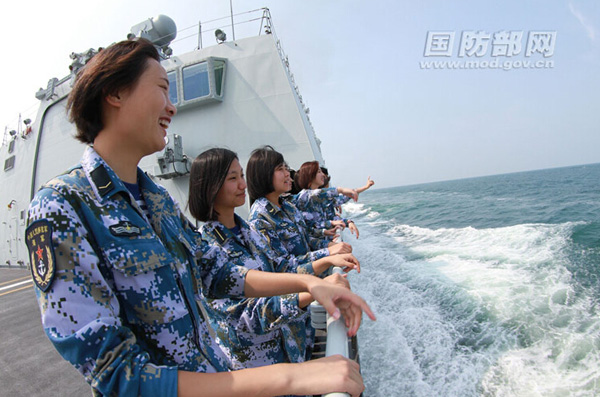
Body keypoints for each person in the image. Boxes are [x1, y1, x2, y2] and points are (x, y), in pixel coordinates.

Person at [25, 38, 375, 397]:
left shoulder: (156, 200)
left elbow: (218, 273)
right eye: (162, 88)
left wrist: (309, 283)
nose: (171, 106)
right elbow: (117, 374)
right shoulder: (63, 206)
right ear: (115, 92)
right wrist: (293, 378)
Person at [188, 148, 359, 369]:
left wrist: (325, 262)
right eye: (233, 178)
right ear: (210, 187)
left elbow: (282, 269)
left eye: (241, 176)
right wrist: (317, 287)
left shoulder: (249, 233)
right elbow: (246, 315)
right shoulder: (209, 248)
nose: (243, 184)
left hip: (291, 347)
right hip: (260, 371)